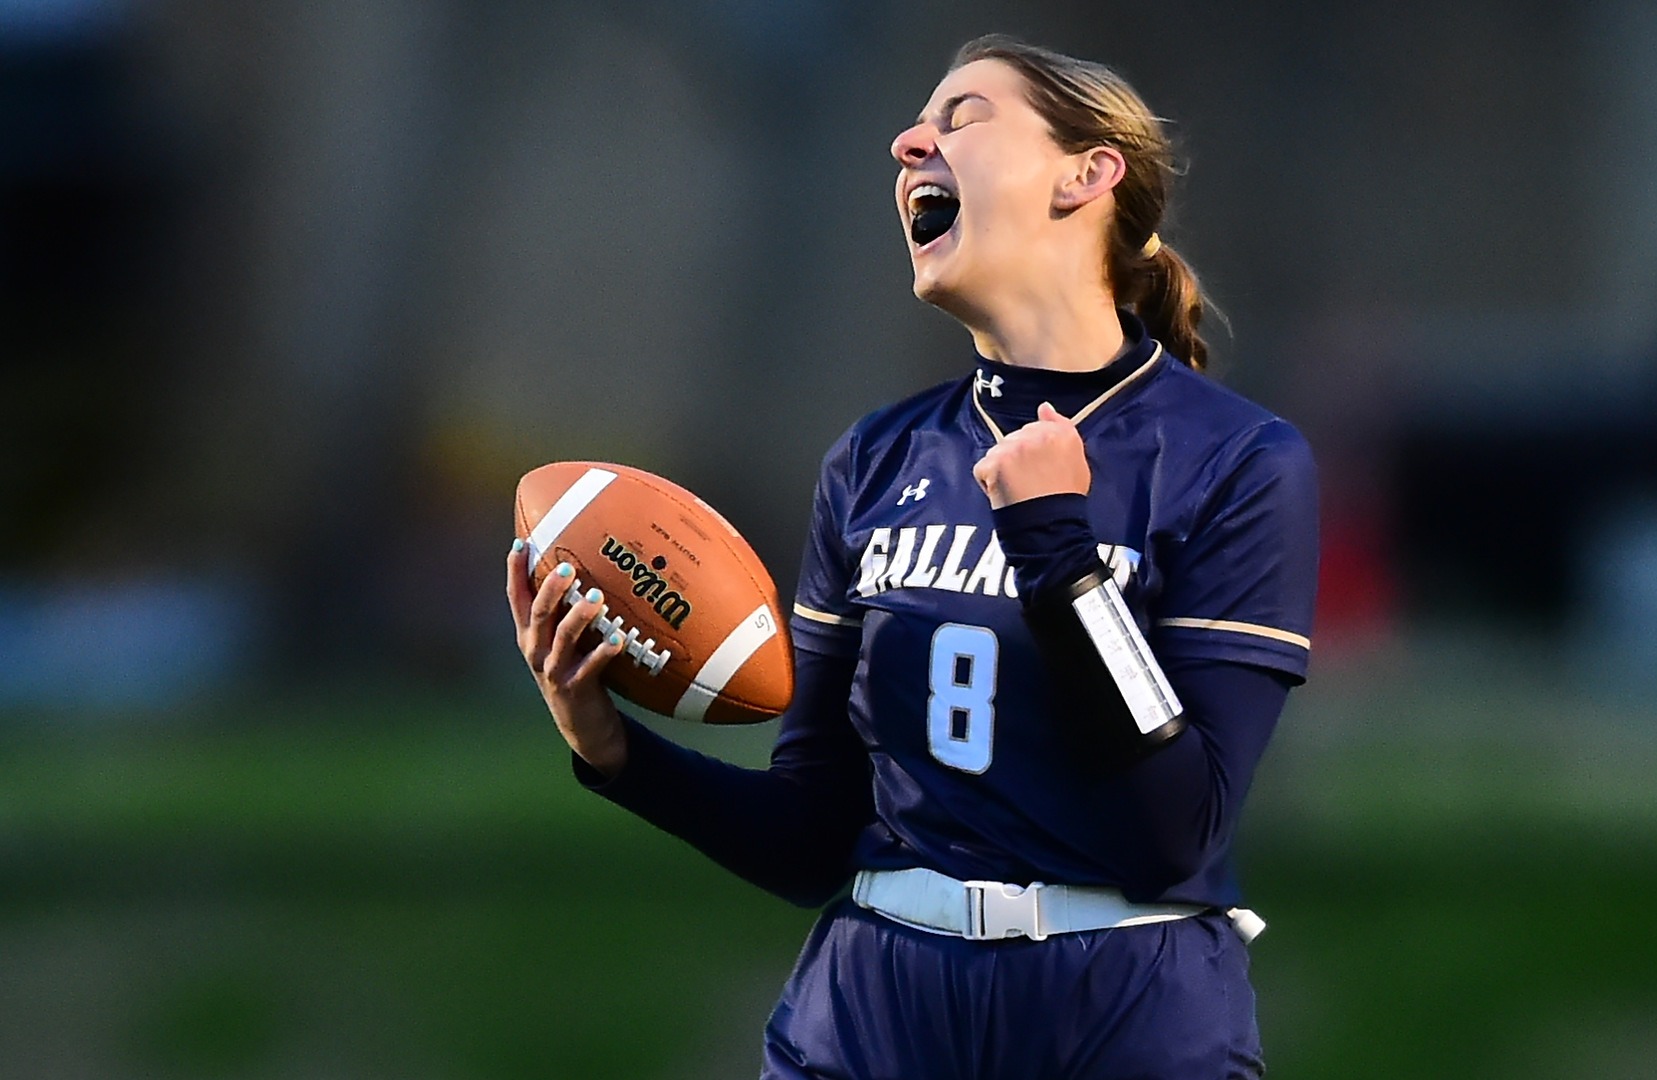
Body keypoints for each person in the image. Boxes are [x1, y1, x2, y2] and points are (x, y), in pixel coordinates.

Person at [507, 34, 1317, 1080]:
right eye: (918, 124)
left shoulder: (1236, 459)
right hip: (873, 1008)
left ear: (1089, 173)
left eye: (964, 118)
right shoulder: (877, 457)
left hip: (1122, 1010)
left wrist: (1060, 553)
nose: (908, 144)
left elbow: (1177, 832)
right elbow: (808, 836)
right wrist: (610, 750)